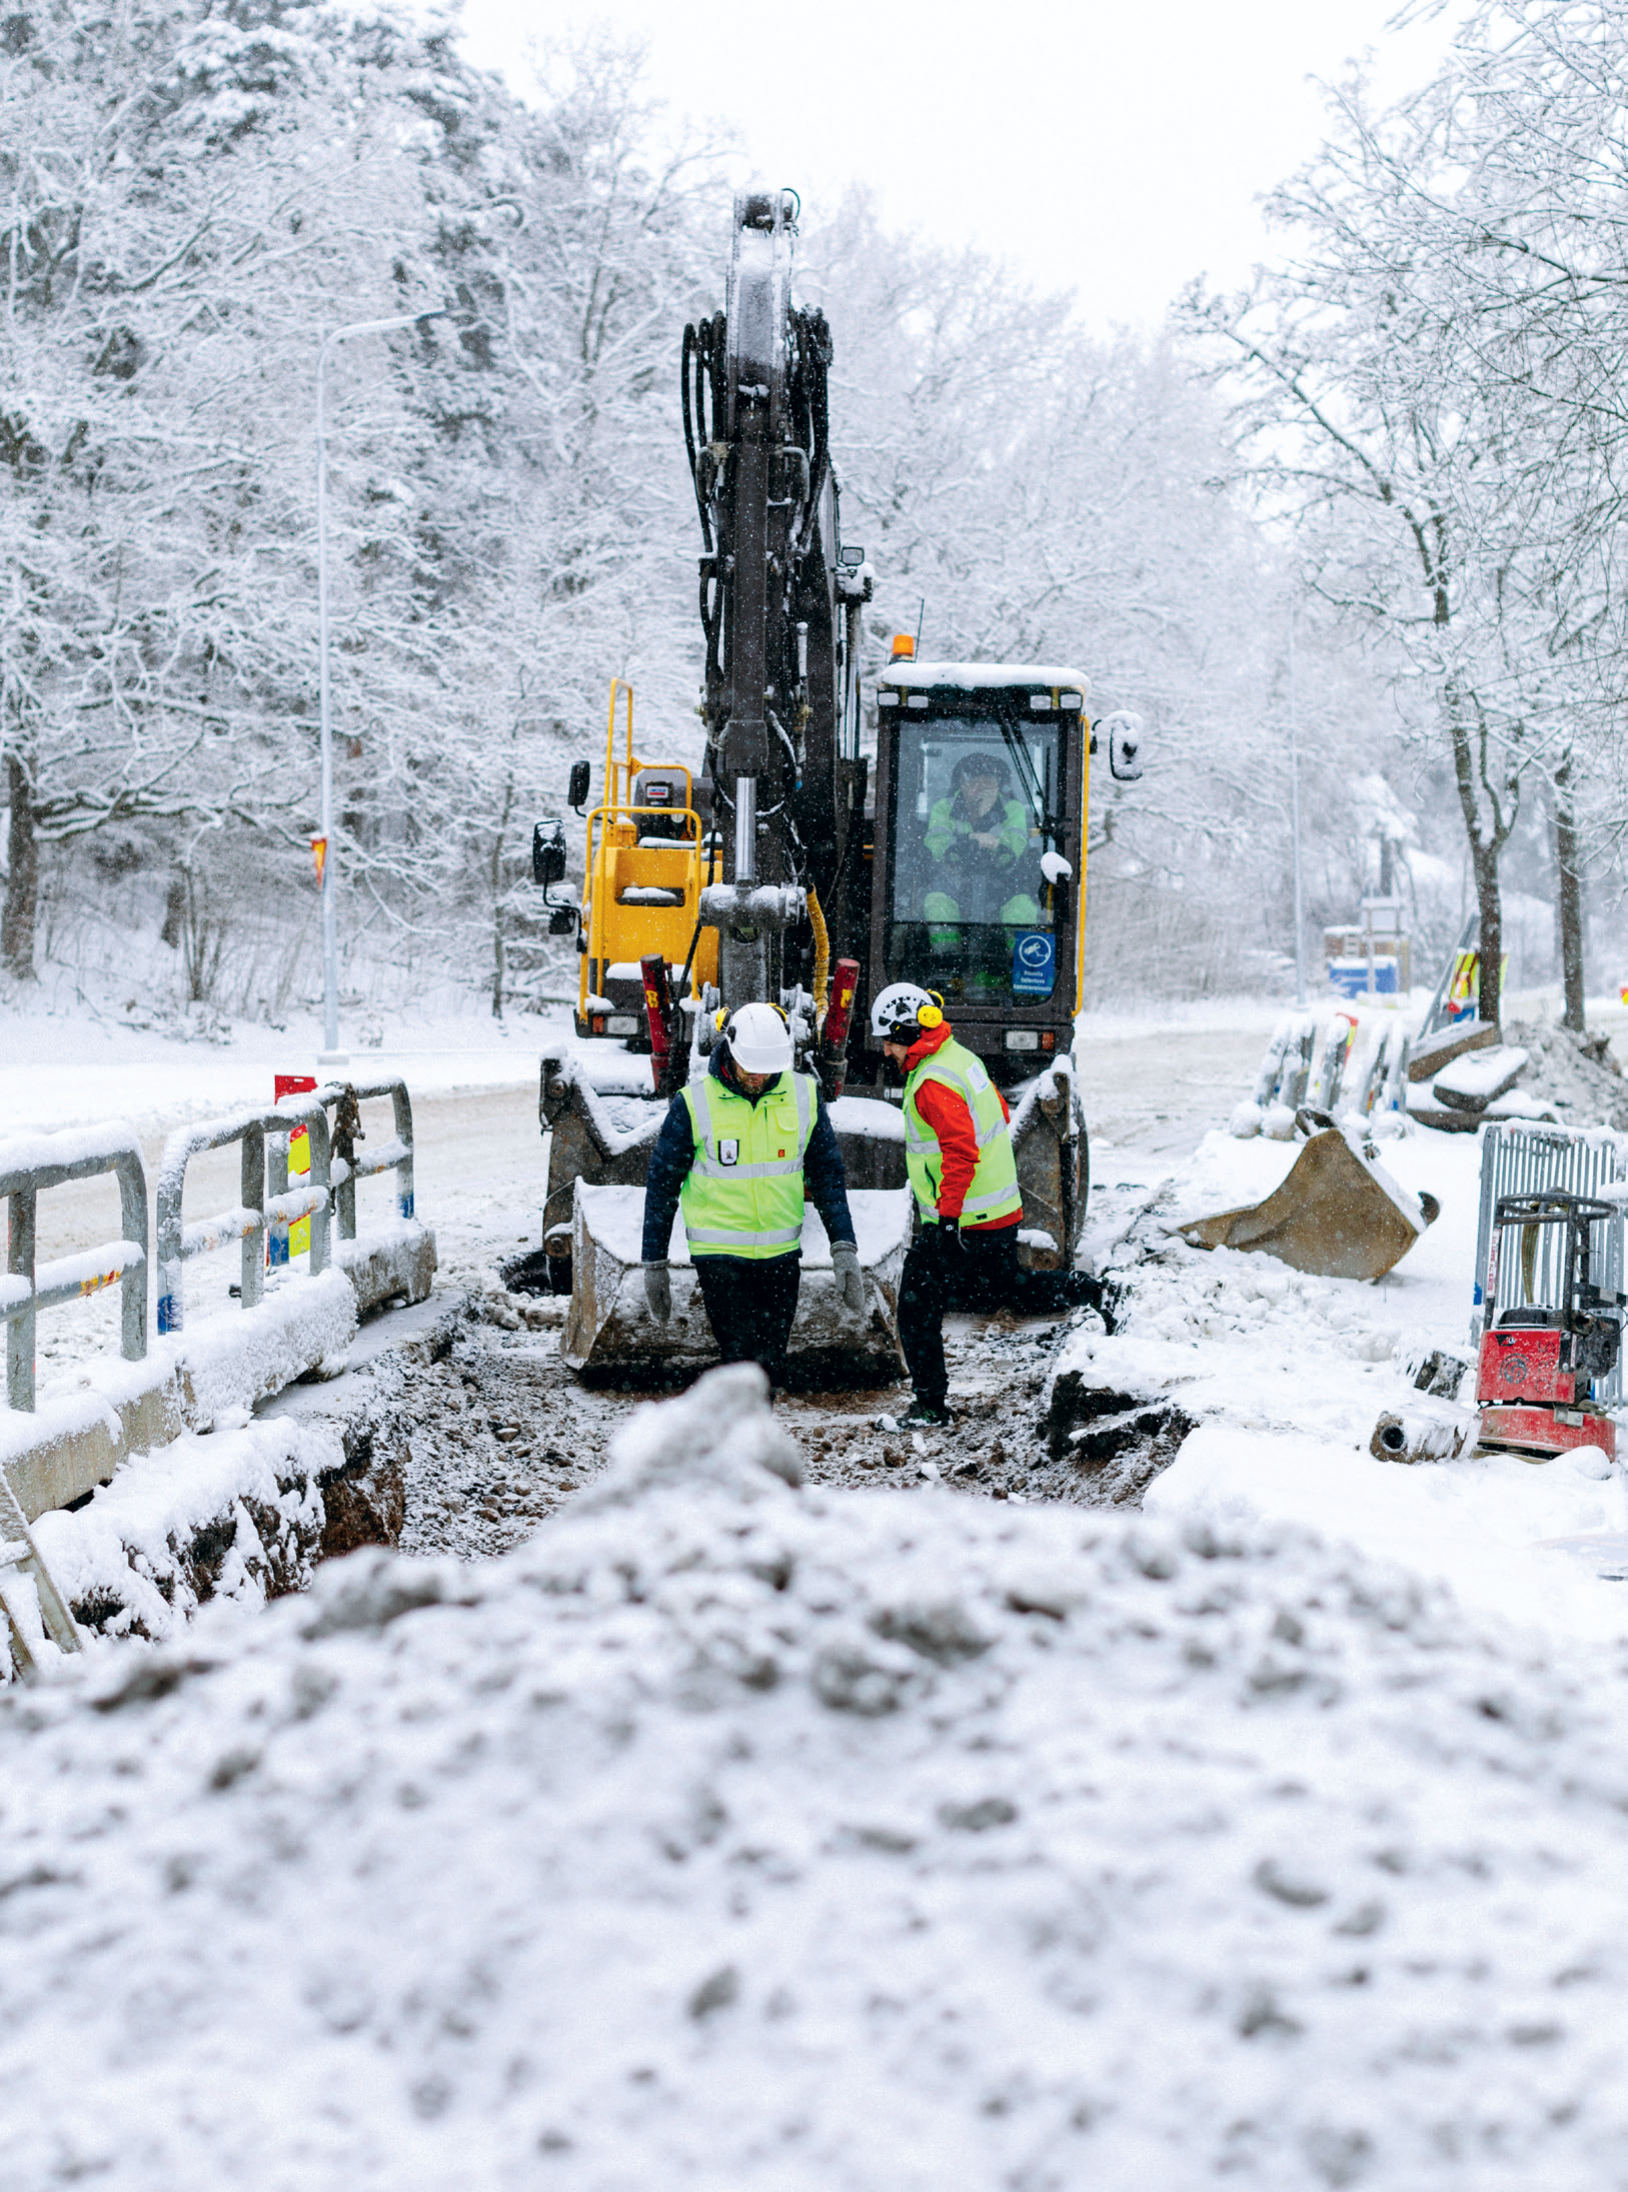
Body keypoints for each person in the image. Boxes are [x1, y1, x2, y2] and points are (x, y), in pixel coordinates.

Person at [871, 981, 1109, 1428]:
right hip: (996, 1212)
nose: (886, 1052)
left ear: (905, 1032)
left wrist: (946, 1219)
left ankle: (929, 1406)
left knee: (917, 1304)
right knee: (1009, 1288)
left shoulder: (931, 1083)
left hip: (964, 1218)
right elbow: (998, 1114)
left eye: (888, 1041)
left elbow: (961, 1152)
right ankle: (1091, 1291)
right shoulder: (960, 1059)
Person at [641, 1000, 864, 1389]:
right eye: (751, 1068)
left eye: (768, 1069)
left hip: (781, 1256)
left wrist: (843, 1245)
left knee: (771, 1361)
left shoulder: (806, 1097)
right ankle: (745, 1442)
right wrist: (654, 1261)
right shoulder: (693, 1104)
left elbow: (828, 1174)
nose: (759, 1077)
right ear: (729, 1050)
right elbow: (662, 1184)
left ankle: (751, 1437)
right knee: (741, 1359)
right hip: (720, 1258)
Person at [921, 751, 1040, 959]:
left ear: (999, 784)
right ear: (962, 784)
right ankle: (947, 961)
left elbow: (1016, 845)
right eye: (975, 781)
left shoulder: (1012, 809)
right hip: (954, 881)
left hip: (1002, 883)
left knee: (1022, 908)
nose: (982, 787)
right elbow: (936, 844)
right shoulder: (944, 808)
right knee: (936, 903)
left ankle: (1022, 965)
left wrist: (989, 827)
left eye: (989, 782)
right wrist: (968, 840)